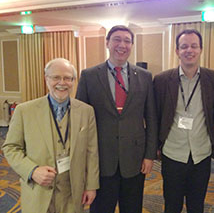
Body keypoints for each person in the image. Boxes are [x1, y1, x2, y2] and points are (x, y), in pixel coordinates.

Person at [76, 25, 157, 213]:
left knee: (132, 208)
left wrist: (149, 155)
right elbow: (80, 121)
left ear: (132, 45)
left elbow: (151, 118)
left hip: (135, 159)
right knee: (101, 209)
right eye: (117, 39)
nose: (122, 45)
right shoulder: (89, 76)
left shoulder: (144, 76)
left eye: (127, 41)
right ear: (107, 43)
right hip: (101, 158)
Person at [2, 58, 99, 213]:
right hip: (38, 192)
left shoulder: (86, 111)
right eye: (56, 77)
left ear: (74, 81)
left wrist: (91, 186)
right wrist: (32, 171)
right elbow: (10, 147)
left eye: (68, 78)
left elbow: (92, 152)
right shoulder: (24, 111)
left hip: (73, 193)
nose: (62, 82)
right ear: (46, 79)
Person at [153, 29, 214, 213]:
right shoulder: (161, 80)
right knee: (172, 205)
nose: (189, 50)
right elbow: (156, 115)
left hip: (201, 154)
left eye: (194, 46)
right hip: (173, 153)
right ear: (177, 51)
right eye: (184, 46)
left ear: (200, 49)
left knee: (196, 205)